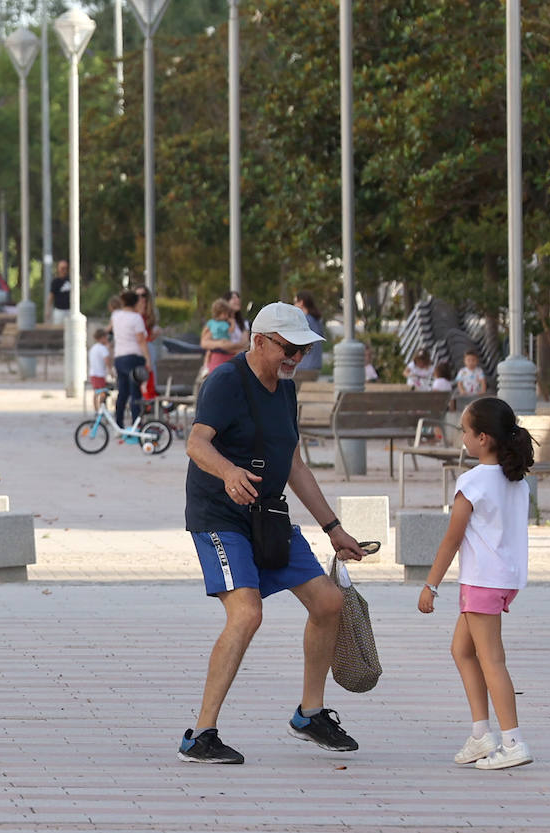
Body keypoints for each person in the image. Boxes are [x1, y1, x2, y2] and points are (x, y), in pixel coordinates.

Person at [180, 301, 369, 765]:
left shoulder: (285, 390)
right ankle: (200, 735)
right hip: (220, 516)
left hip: (268, 514)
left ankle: (310, 714)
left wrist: (333, 527)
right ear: (260, 340)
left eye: (303, 350)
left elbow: (295, 466)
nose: (296, 358)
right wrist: (227, 472)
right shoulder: (226, 381)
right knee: (246, 613)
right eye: (289, 348)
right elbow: (196, 442)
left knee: (329, 601)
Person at [416, 397, 536, 771]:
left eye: (466, 432)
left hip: (482, 580)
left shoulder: (472, 482)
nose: (463, 438)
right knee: (462, 650)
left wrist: (430, 585)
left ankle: (513, 741)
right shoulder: (515, 479)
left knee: (492, 660)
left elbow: (451, 539)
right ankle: (482, 734)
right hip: (504, 580)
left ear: (483, 438)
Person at [110, 290, 151, 429]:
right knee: (135, 392)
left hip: (119, 357)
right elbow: (141, 340)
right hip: (134, 357)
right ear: (136, 302)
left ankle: (119, 423)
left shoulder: (116, 316)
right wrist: (147, 359)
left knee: (123, 391)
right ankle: (136, 423)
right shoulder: (136, 318)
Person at [293, 291, 325, 372]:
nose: (294, 305)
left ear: (301, 302)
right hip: (316, 364)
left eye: (295, 302)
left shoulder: (304, 320)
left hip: (304, 365)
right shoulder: (317, 320)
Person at [202, 299, 233, 371]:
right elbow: (205, 330)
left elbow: (230, 332)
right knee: (208, 353)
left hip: (223, 342)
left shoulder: (222, 323)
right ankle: (205, 367)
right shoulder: (214, 322)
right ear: (218, 313)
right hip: (217, 341)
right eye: (225, 314)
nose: (226, 316)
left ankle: (206, 367)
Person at [88, 327, 111, 412]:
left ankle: (97, 410)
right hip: (100, 374)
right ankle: (101, 410)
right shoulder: (103, 348)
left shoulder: (93, 348)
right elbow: (107, 361)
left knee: (96, 392)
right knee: (102, 393)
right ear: (102, 338)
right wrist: (111, 371)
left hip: (93, 373)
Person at [47, 260, 71, 325]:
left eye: (66, 268)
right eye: (62, 268)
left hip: (70, 310)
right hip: (59, 310)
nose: (64, 270)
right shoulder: (56, 281)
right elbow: (51, 295)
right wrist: (48, 309)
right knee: (59, 329)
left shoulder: (71, 279)